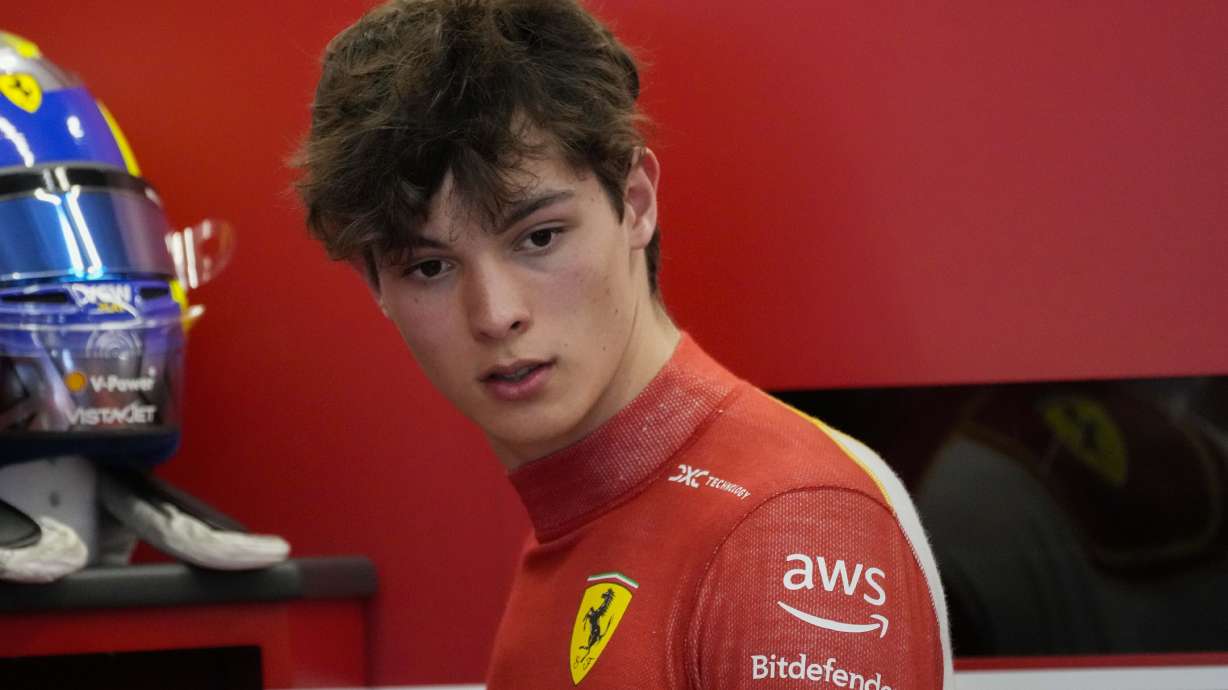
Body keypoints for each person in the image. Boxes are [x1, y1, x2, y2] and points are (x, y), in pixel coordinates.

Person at [294, 1, 952, 687]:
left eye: (539, 236)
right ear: (375, 281)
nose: (495, 313)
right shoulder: (584, 511)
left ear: (634, 203)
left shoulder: (787, 525)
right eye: (429, 266)